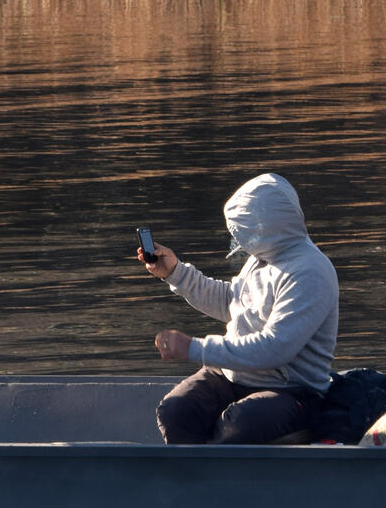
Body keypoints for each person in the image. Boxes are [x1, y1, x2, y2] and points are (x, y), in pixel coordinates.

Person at [139, 172, 338, 445]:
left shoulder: (309, 272)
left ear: (265, 226)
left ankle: (232, 479)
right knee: (176, 411)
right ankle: (189, 481)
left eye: (244, 229)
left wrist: (194, 348)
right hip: (231, 375)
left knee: (240, 424)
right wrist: (175, 273)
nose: (239, 239)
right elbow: (230, 302)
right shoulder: (262, 257)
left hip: (290, 389)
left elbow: (275, 348)